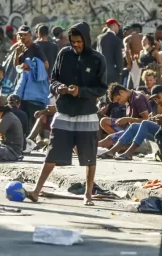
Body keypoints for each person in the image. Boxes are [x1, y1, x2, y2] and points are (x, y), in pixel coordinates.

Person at [26, 22, 107, 206]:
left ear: (86, 40)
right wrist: (59, 88)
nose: (76, 45)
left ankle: (88, 194)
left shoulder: (97, 59)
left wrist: (81, 92)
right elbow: (52, 79)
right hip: (63, 112)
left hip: (87, 114)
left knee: (89, 156)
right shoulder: (64, 54)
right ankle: (36, 191)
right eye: (73, 41)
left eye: (79, 41)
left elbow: (101, 88)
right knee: (53, 152)